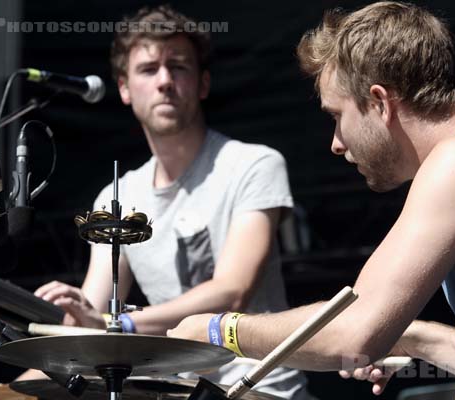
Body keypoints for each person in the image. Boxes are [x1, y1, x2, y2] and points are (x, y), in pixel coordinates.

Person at [169, 1, 455, 398]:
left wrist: (220, 330)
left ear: (379, 102)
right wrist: (413, 337)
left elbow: (353, 336)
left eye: (336, 116)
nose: (336, 144)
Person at [26, 5, 312, 399]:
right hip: (176, 392)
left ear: (203, 83)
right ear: (124, 88)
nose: (164, 81)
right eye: (148, 69)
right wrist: (10, 387)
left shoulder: (254, 164)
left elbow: (232, 291)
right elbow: (89, 324)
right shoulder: (117, 196)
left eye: (178, 67)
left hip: (261, 390)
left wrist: (119, 324)